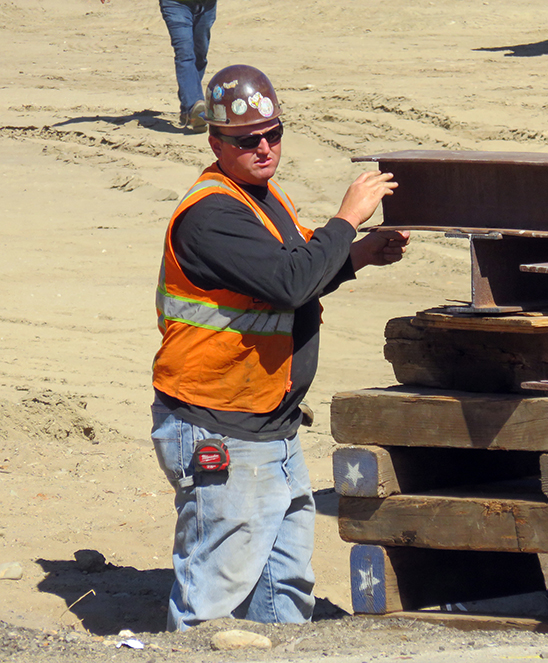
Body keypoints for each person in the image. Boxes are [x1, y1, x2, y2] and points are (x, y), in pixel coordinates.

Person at [150, 64, 409, 631]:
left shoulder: (260, 198)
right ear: (216, 143)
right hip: (220, 424)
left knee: (283, 590)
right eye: (247, 140)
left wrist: (356, 255)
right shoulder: (211, 215)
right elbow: (290, 282)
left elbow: (292, 275)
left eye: (273, 133)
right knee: (214, 596)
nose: (264, 148)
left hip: (269, 423)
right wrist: (347, 220)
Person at [159, 0, 217, 132]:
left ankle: (188, 110)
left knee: (199, 55)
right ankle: (194, 105)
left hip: (207, 5)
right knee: (185, 54)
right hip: (175, 4)